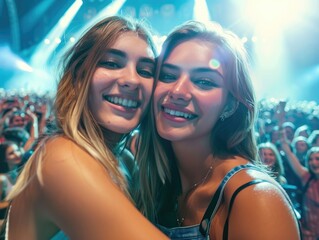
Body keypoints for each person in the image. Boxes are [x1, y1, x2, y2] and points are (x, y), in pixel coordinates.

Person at [3, 16, 168, 240]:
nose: (132, 79)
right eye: (111, 63)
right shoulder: (64, 159)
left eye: (146, 71)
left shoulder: (125, 159)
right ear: (80, 77)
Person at [135, 20, 301, 240]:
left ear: (230, 105)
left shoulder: (255, 198)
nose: (177, 91)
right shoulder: (156, 185)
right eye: (168, 75)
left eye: (203, 81)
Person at [281, 133, 319, 240]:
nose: (313, 162)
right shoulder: (307, 178)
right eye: (310, 159)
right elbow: (288, 153)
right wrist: (281, 130)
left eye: (317, 159)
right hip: (309, 235)